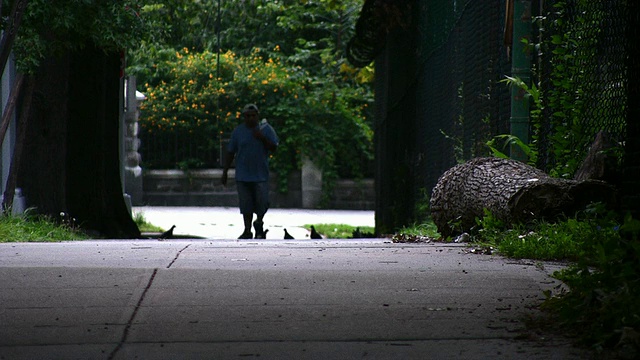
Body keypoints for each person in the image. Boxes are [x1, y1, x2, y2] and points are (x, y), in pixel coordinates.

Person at [221, 104, 279, 239]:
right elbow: (231, 152)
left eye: (253, 115)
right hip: (243, 175)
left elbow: (274, 148)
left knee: (262, 202)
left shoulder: (266, 129)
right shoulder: (238, 132)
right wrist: (225, 172)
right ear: (244, 117)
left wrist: (262, 138)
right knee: (246, 204)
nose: (251, 118)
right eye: (248, 116)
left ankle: (259, 222)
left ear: (257, 116)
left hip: (260, 175)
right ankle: (247, 230)